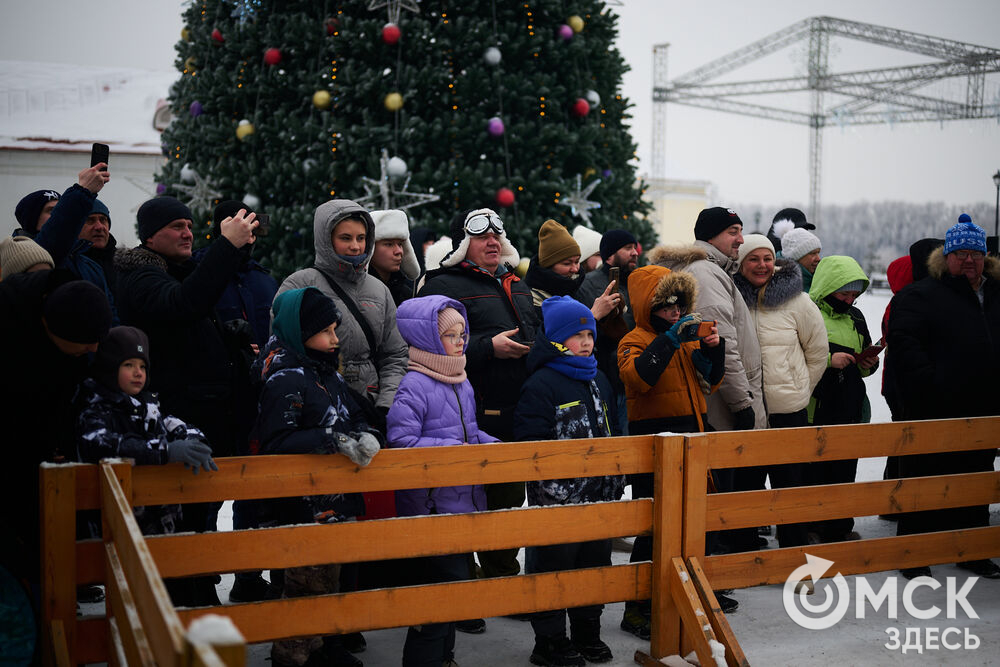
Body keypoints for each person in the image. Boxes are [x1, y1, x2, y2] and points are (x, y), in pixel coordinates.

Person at [116, 196, 260, 603]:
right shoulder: (141, 275)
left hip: (206, 414)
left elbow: (198, 301)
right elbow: (185, 304)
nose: (188, 233)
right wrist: (225, 247)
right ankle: (186, 603)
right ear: (149, 235)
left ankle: (198, 591)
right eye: (176, 226)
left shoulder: (176, 269)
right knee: (182, 519)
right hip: (178, 416)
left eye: (190, 225)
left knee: (202, 515)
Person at [251, 287, 381, 667]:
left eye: (334, 330)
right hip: (301, 506)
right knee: (305, 583)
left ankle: (325, 644)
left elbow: (355, 413)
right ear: (300, 331)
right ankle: (293, 655)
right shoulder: (285, 380)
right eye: (326, 331)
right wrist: (332, 439)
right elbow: (277, 442)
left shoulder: (323, 372)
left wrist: (366, 432)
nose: (335, 339)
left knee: (330, 578)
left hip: (334, 501)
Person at [418, 208, 538, 589]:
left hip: (516, 409)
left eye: (496, 235)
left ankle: (500, 579)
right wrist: (490, 348)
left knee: (507, 500)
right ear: (462, 244)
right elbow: (429, 348)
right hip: (465, 411)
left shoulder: (516, 282)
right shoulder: (443, 285)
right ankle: (462, 587)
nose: (492, 241)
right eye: (481, 236)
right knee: (463, 500)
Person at [617, 264, 729, 636]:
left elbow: (712, 381)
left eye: (678, 306)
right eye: (666, 307)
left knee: (692, 523)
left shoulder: (685, 338)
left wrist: (714, 350)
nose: (675, 313)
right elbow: (639, 378)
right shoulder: (632, 339)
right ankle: (636, 609)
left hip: (692, 436)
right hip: (653, 442)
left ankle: (688, 591)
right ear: (648, 308)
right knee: (653, 530)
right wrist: (670, 340)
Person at [387, 295, 498, 666]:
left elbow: (468, 431)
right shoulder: (414, 385)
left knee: (451, 595)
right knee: (435, 598)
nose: (460, 341)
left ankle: (444, 658)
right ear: (430, 340)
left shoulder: (460, 380)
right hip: (431, 505)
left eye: (463, 334)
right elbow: (401, 441)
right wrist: (449, 448)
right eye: (451, 335)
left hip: (462, 501)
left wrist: (490, 444)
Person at [648, 207, 767, 554]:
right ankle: (710, 572)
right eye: (733, 231)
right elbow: (721, 342)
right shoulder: (706, 272)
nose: (740, 240)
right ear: (711, 235)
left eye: (740, 231)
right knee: (715, 500)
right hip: (722, 404)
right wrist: (742, 403)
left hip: (719, 400)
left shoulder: (710, 270)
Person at [513, 296, 623, 666]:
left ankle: (587, 631)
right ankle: (550, 641)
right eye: (577, 336)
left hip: (599, 499)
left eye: (589, 334)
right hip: (556, 502)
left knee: (594, 566)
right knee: (551, 568)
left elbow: (613, 429)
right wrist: (551, 483)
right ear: (559, 339)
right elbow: (530, 441)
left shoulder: (598, 378)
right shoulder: (542, 383)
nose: (587, 342)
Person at [889, 217, 1000, 580]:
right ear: (947, 256)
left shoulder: (996, 293)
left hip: (985, 409)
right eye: (962, 253)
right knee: (924, 481)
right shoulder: (921, 294)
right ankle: (914, 554)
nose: (970, 261)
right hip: (933, 407)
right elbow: (905, 347)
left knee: (976, 481)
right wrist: (931, 386)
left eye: (977, 254)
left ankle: (972, 552)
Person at [75, 326, 218, 603]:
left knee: (168, 594)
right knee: (133, 600)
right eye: (128, 365)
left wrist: (195, 442)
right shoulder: (96, 406)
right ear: (109, 367)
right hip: (118, 523)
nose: (138, 372)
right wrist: (165, 451)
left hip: (161, 521)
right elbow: (102, 444)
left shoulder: (148, 404)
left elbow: (175, 424)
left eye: (142, 365)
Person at [0, 276, 111, 605]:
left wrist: (59, 443)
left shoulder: (73, 306)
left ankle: (47, 606)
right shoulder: (11, 339)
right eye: (86, 342)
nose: (93, 349)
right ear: (51, 329)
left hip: (44, 448)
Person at [193, 199, 280, 603]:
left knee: (254, 489)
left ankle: (249, 573)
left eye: (253, 226)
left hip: (259, 395)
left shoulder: (263, 279)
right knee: (208, 490)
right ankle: (201, 573)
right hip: (214, 398)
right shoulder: (202, 270)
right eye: (241, 224)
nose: (249, 233)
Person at [733, 235, 827, 549]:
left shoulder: (797, 300)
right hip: (746, 413)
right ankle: (745, 555)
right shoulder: (733, 298)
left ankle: (794, 558)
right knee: (745, 490)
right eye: (754, 259)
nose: (762, 266)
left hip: (789, 414)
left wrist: (799, 390)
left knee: (790, 488)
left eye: (767, 259)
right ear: (742, 263)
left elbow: (817, 353)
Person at [277, 199, 409, 417]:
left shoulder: (379, 290)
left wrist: (386, 405)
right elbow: (283, 349)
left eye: (361, 238)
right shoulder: (298, 284)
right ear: (326, 239)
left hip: (371, 406)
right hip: (316, 409)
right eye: (345, 238)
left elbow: (395, 355)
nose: (355, 246)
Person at [806, 255, 877, 544]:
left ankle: (839, 526)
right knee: (812, 469)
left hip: (849, 405)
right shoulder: (807, 313)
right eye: (843, 293)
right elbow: (791, 356)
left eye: (854, 295)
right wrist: (827, 360)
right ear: (827, 287)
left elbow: (864, 362)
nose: (849, 300)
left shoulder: (855, 317)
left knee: (845, 468)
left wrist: (868, 362)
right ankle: (808, 527)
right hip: (815, 406)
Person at [13, 166, 117, 320]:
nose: (99, 227)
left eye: (59, 209)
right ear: (32, 220)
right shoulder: (23, 255)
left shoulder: (88, 265)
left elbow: (110, 313)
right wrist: (84, 191)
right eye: (50, 211)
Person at [575, 229, 641, 436]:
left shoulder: (637, 282)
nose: (635, 253)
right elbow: (583, 331)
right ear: (610, 255)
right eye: (628, 248)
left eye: (635, 248)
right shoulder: (587, 285)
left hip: (637, 376)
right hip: (608, 378)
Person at [524, 219, 620, 323]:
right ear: (548, 265)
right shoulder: (532, 298)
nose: (575, 269)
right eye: (567, 263)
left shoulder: (577, 287)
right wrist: (594, 315)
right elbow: (556, 334)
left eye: (577, 261)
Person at [369, 209, 421, 306]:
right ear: (371, 247)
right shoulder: (357, 292)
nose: (399, 251)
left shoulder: (407, 295)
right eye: (389, 244)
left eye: (400, 244)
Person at [775, 227, 822, 293]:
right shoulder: (780, 288)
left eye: (818, 253)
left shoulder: (820, 282)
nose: (818, 259)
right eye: (813, 253)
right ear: (796, 257)